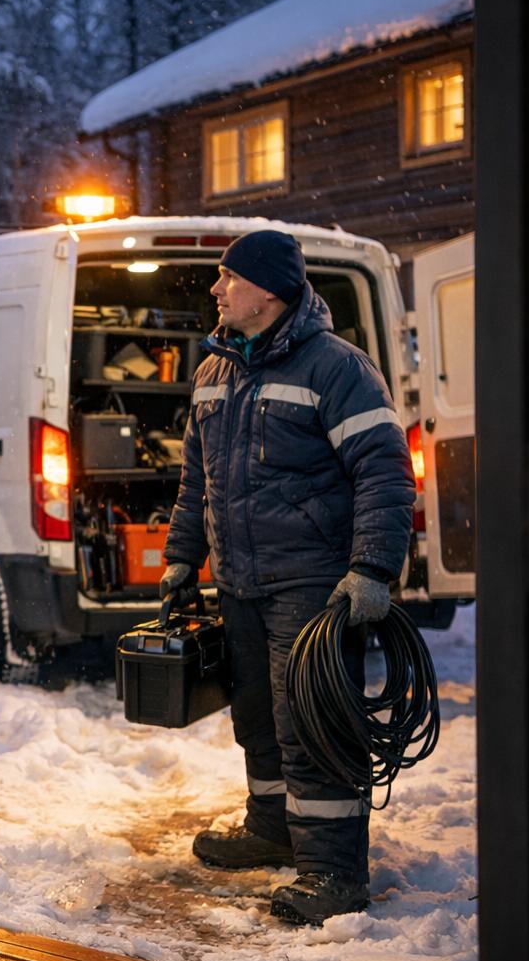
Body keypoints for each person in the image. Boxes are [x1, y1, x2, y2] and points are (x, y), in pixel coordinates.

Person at [160, 229, 414, 924]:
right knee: (259, 719)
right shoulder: (215, 371)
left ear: (268, 292)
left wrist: (371, 567)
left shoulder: (337, 368)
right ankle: (272, 830)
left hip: (311, 582)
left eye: (226, 278)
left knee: (313, 722)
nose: (215, 290)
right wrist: (183, 556)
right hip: (240, 581)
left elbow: (384, 472)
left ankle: (334, 872)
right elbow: (197, 480)